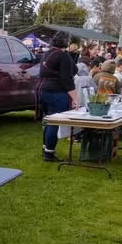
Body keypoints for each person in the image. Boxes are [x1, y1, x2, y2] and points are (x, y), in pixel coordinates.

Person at [38, 30, 78, 162]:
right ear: (66, 42)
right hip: (56, 91)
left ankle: (45, 148)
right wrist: (75, 98)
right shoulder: (63, 56)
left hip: (43, 90)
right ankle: (49, 152)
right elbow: (67, 79)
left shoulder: (47, 53)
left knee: (48, 120)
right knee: (54, 122)